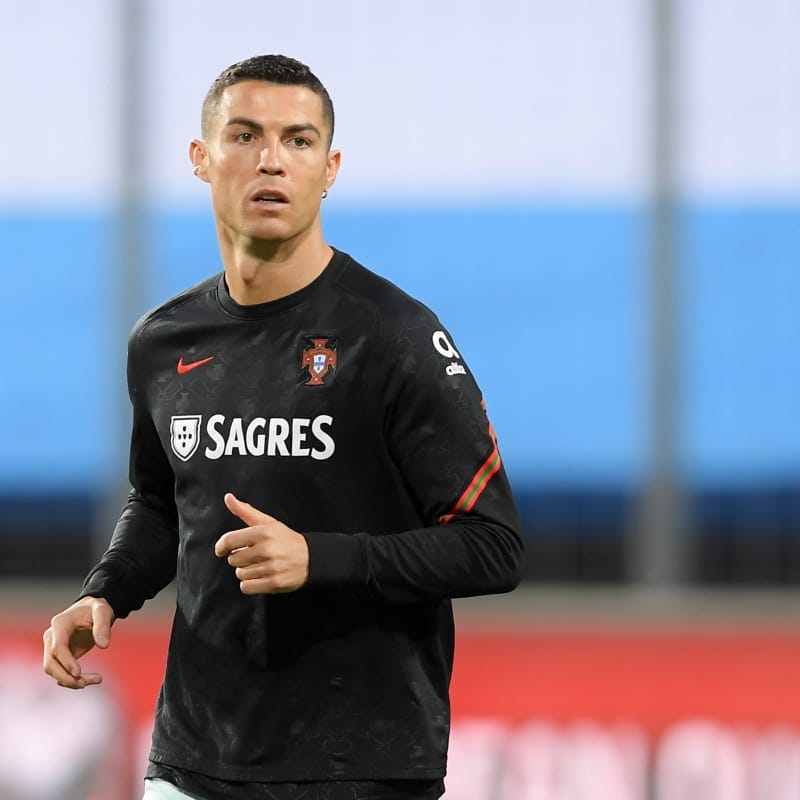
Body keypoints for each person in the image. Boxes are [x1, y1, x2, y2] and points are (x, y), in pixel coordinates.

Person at [42, 54, 525, 800]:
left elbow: (493, 547)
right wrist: (105, 593)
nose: (271, 160)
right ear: (202, 159)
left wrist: (321, 559)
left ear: (330, 168)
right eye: (245, 135)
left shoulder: (393, 337)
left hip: (359, 766)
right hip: (193, 759)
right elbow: (164, 502)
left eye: (298, 141)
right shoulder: (164, 342)